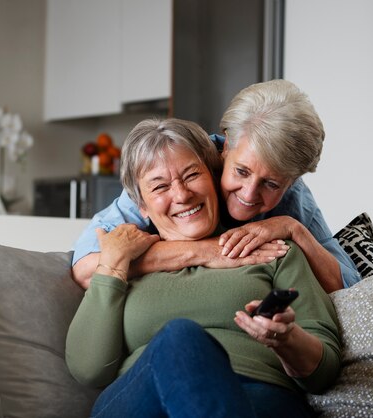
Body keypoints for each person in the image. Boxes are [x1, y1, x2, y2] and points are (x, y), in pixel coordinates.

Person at [65, 118, 341, 417]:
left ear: (214, 175)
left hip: (260, 397)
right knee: (180, 338)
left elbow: (324, 372)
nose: (182, 195)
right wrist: (113, 266)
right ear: (141, 205)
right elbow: (88, 369)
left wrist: (287, 340)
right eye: (160, 186)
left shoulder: (271, 250)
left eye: (192, 174)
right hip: (145, 400)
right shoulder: (123, 265)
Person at [71, 80, 360, 293]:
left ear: (291, 180)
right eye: (241, 171)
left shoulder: (292, 194)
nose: (249, 194)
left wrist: (292, 228)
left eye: (271, 184)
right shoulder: (174, 171)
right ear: (224, 146)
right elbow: (85, 267)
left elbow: (347, 286)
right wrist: (209, 252)